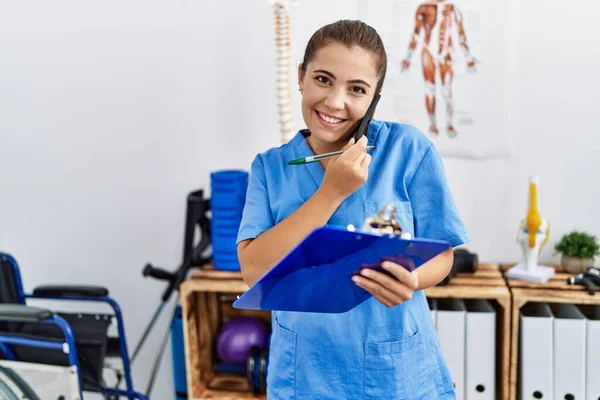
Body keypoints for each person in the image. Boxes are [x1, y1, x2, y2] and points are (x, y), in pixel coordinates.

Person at [236, 19, 470, 399]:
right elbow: (254, 270)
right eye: (323, 79)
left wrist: (413, 280)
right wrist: (330, 193)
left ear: (374, 96)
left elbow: (442, 252)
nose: (334, 102)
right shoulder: (270, 167)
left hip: (395, 372)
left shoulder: (407, 151)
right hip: (304, 375)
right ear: (301, 76)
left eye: (357, 89)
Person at [401, 0, 477, 137]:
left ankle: (449, 123)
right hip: (428, 52)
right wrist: (408, 57)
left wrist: (468, 57)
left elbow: (461, 34)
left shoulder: (453, 8)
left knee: (447, 89)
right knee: (430, 89)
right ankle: (433, 123)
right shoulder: (423, 8)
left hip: (445, 53)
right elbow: (416, 34)